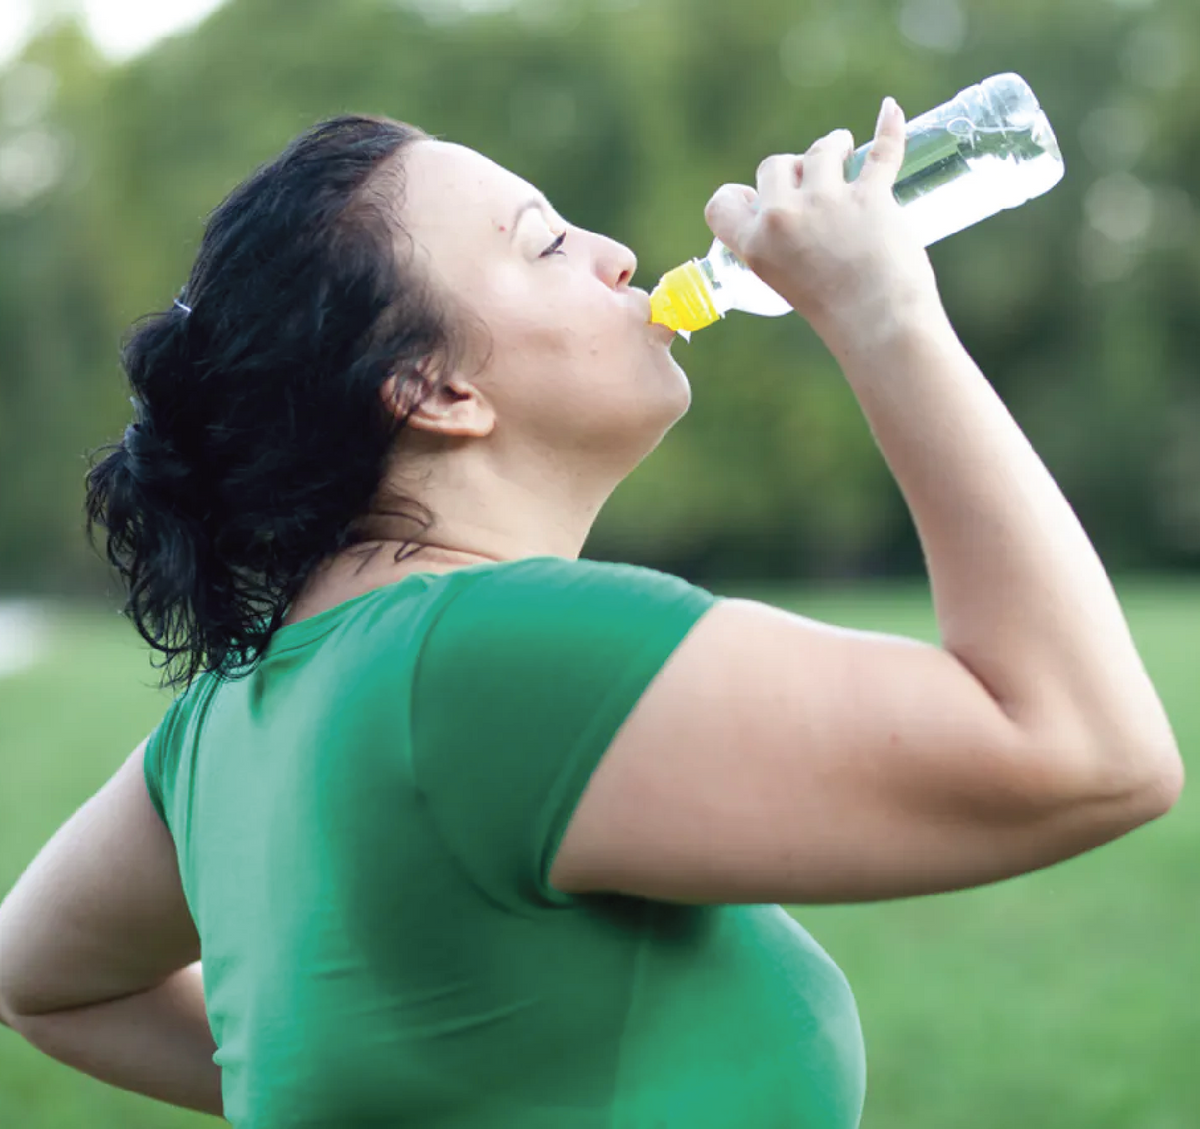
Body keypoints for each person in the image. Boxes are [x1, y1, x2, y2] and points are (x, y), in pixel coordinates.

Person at [0, 100, 1182, 1129]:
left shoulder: (222, 728)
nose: (618, 255)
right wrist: (885, 315)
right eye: (547, 242)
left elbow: (39, 979)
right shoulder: (494, 652)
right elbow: (1086, 750)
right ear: (436, 389)